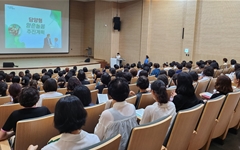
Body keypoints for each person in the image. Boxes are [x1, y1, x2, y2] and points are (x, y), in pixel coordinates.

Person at [94, 78, 138, 150]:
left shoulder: (107, 114)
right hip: (129, 145)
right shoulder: (132, 107)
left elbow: (97, 135)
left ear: (110, 95)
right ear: (127, 93)